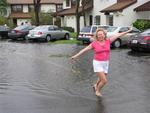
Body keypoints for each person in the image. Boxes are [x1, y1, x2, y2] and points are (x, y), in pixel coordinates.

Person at [71, 27, 132, 97]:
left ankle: (95, 85)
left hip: (106, 63)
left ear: (104, 34)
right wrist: (75, 56)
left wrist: (129, 30)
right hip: (98, 63)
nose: (100, 36)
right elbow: (84, 50)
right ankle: (97, 91)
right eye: (98, 35)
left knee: (100, 78)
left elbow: (118, 35)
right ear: (96, 36)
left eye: (101, 34)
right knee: (104, 81)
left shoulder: (108, 41)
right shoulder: (94, 44)